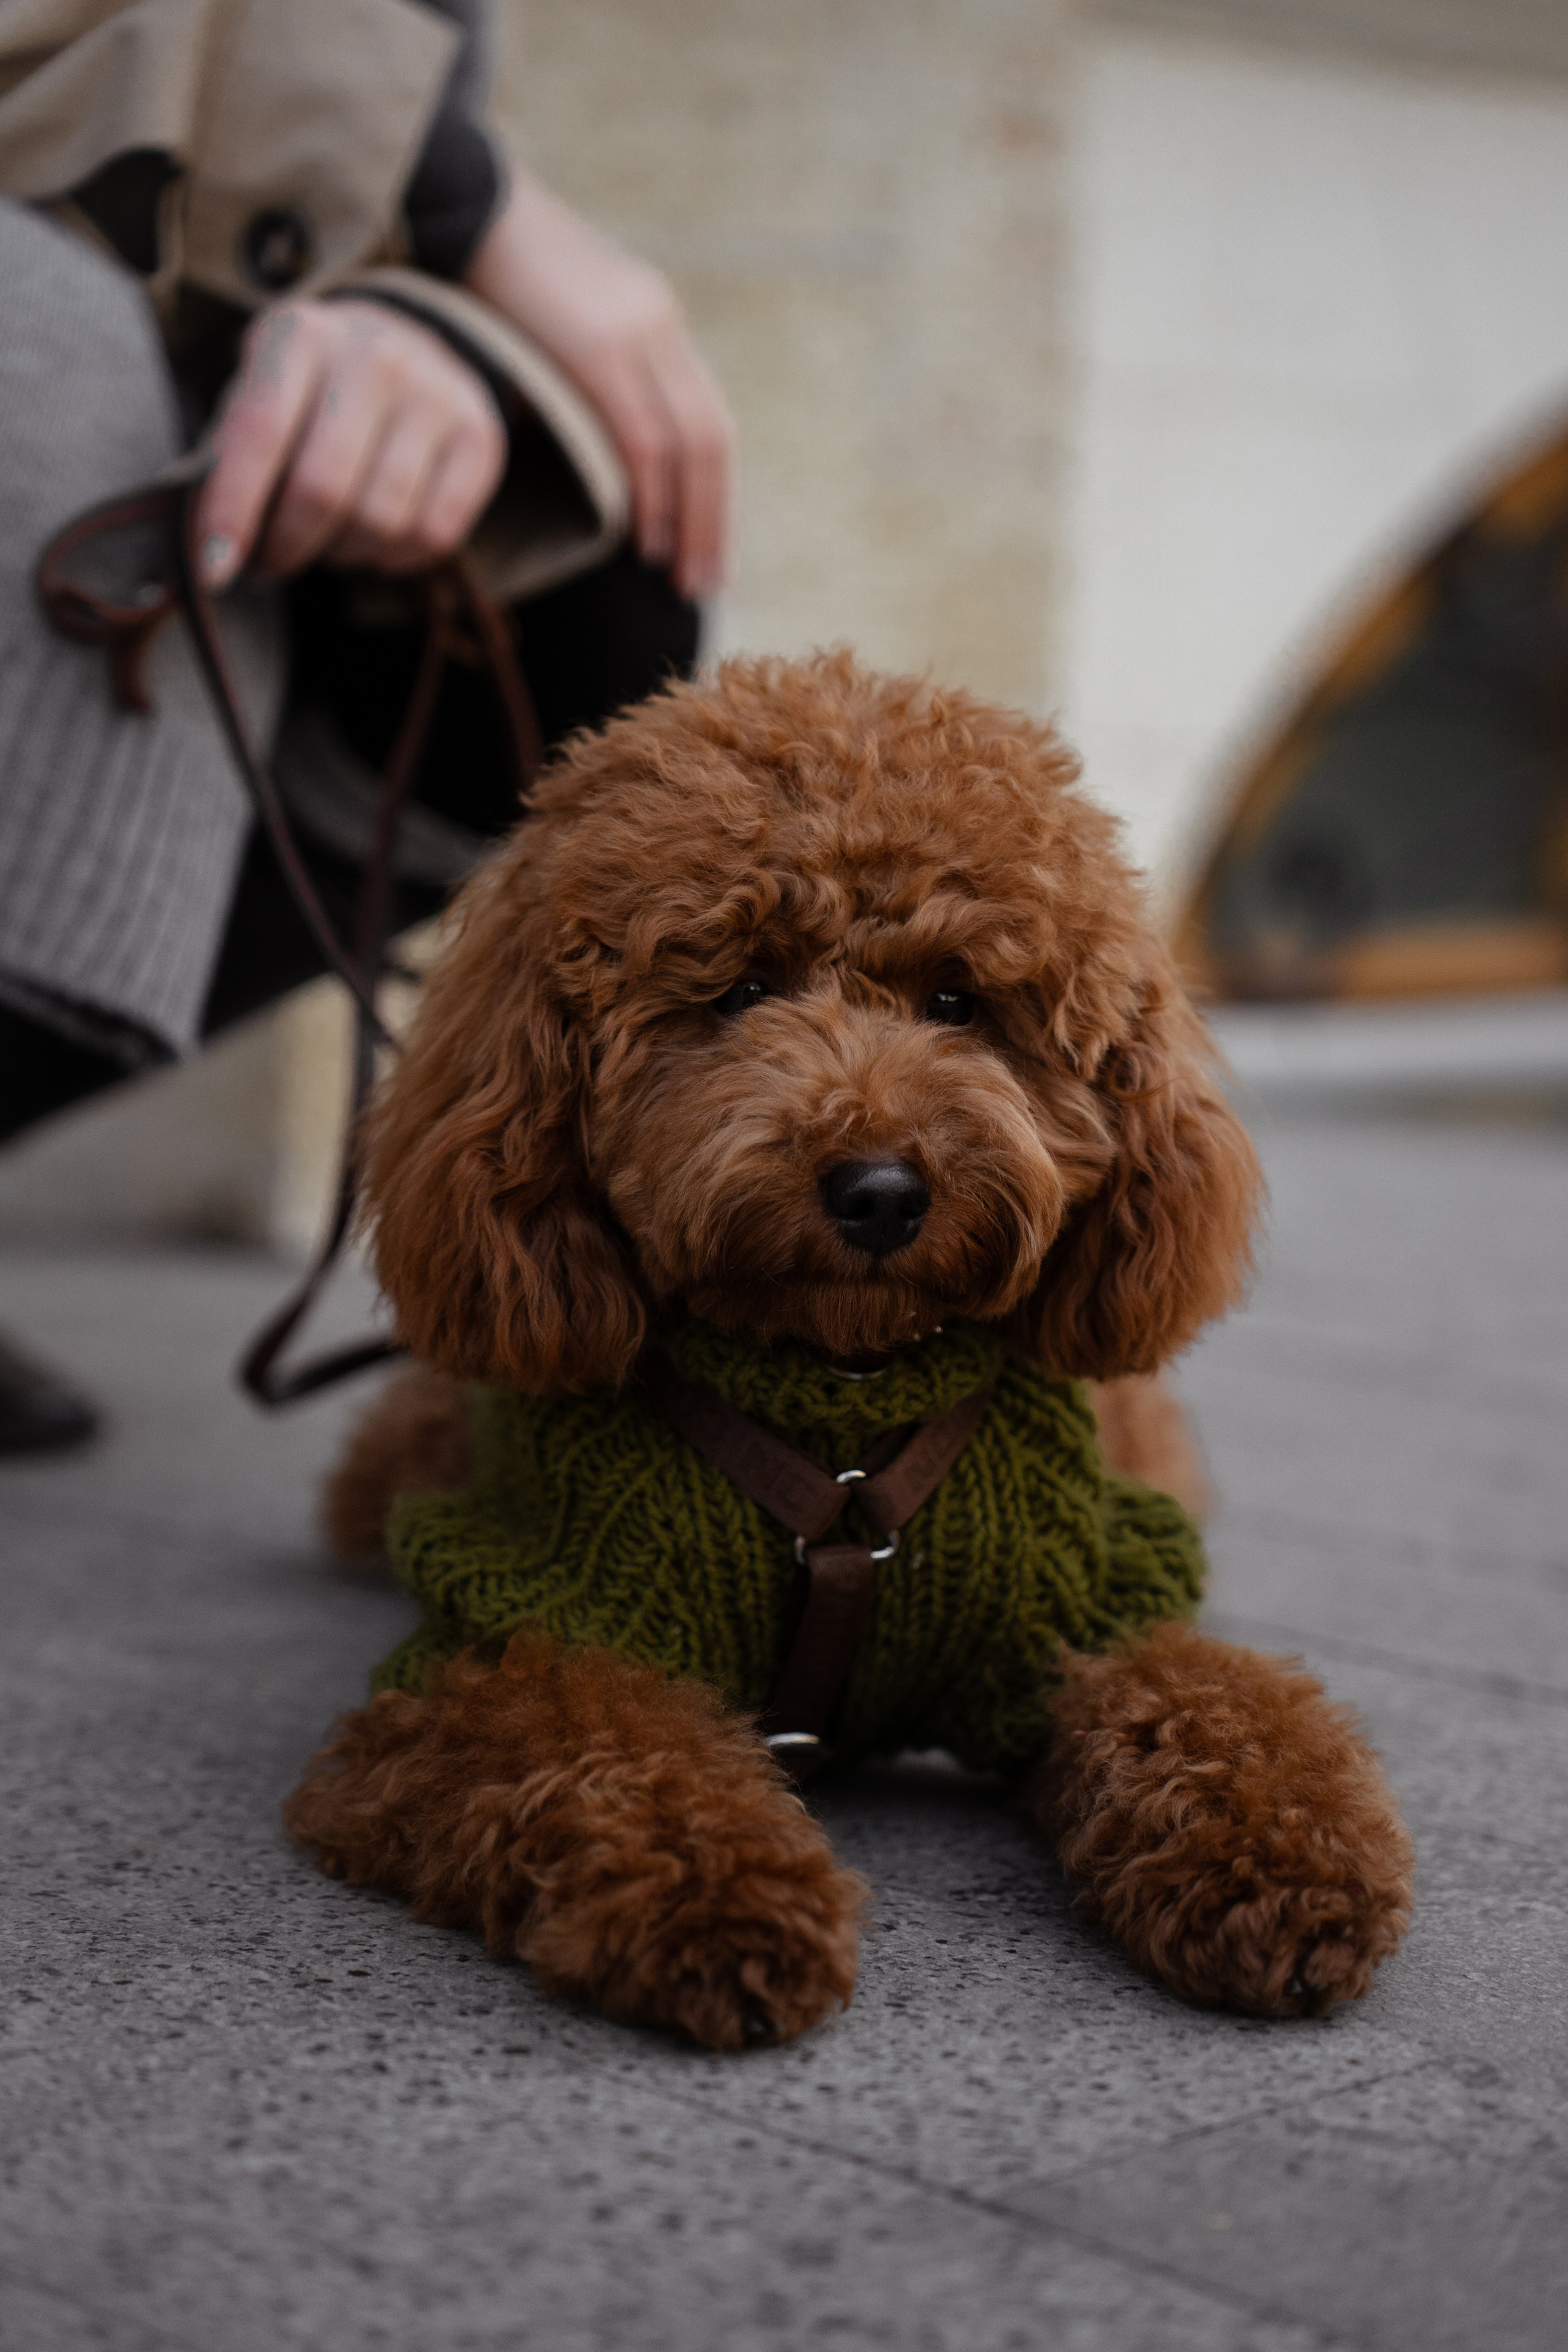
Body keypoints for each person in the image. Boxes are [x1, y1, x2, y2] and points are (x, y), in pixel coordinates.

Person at [0, 0, 736, 1452]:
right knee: (58, 356)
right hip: (91, 266)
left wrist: (397, 312)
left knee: (591, 564)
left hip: (217, 246)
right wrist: (453, 191)